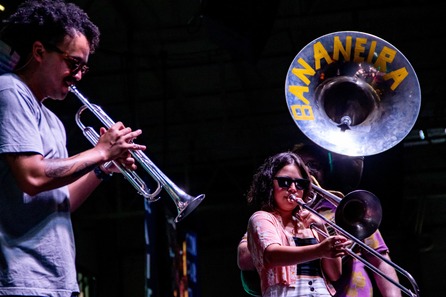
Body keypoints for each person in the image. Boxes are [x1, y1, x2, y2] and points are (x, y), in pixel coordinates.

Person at [0, 1, 146, 296]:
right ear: (40, 52)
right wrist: (100, 151)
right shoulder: (10, 91)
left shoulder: (54, 121)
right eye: (73, 63)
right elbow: (33, 177)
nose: (79, 75)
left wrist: (104, 168)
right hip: (20, 279)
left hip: (57, 280)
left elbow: (60, 200)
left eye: (83, 67)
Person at [238, 142, 402, 297]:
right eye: (301, 165)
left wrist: (324, 232)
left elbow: (378, 259)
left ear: (324, 172)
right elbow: (245, 258)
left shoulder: (347, 208)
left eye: (313, 166)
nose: (307, 172)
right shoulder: (269, 218)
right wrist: (306, 245)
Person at [245, 151, 351, 297]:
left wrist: (321, 228)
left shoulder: (312, 223)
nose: (293, 189)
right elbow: (271, 255)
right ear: (270, 183)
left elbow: (334, 274)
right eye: (285, 182)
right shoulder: (262, 218)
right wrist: (320, 250)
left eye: (300, 184)